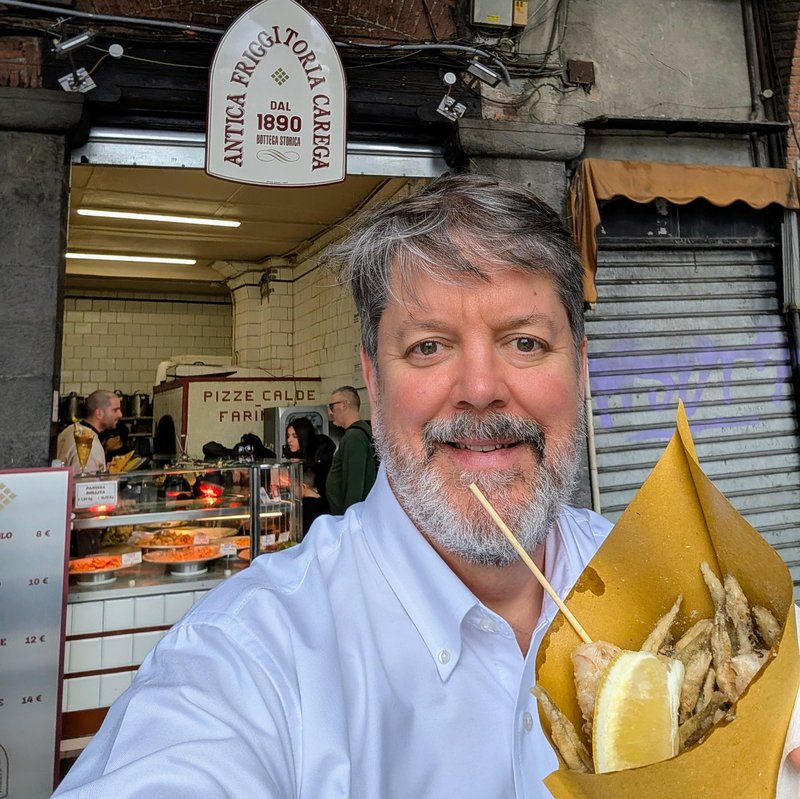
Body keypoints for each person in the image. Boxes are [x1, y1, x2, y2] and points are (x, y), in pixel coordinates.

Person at [51, 175, 800, 798]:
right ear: (373, 382)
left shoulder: (681, 583)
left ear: (579, 367)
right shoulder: (253, 654)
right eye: (429, 346)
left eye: (525, 342)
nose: (480, 388)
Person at [325, 385, 378, 514]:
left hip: (350, 516)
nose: (330, 412)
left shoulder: (354, 437)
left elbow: (355, 485)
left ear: (344, 405)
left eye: (332, 406)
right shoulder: (362, 432)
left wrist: (349, 518)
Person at [284, 416, 335, 534]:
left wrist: (308, 492)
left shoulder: (322, 455)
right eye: (288, 436)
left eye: (294, 436)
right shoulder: (294, 457)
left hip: (320, 513)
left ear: (304, 436)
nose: (289, 440)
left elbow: (326, 489)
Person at [56, 389, 123, 474]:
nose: (120, 415)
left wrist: (104, 473)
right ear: (99, 413)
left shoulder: (71, 429)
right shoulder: (89, 446)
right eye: (115, 410)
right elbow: (85, 481)